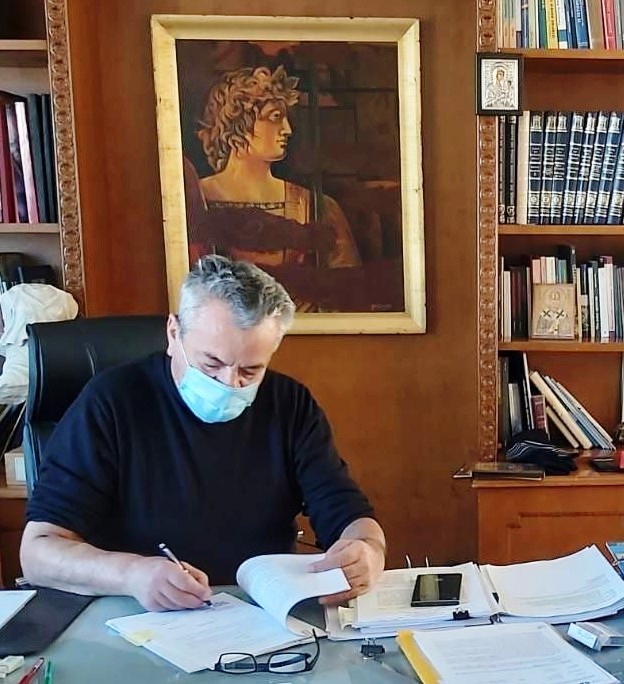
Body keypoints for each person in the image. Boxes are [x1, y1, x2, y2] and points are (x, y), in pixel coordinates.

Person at [21, 255, 385, 612]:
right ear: (173, 334)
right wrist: (132, 574)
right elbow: (38, 551)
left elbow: (347, 513)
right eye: (212, 363)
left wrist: (367, 550)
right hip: (137, 616)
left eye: (250, 371)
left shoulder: (289, 404)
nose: (229, 383)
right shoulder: (110, 402)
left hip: (261, 615)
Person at [192, 65, 360, 283]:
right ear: (239, 124)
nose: (287, 129)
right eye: (275, 117)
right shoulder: (195, 199)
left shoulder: (314, 205)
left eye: (285, 118)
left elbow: (347, 287)